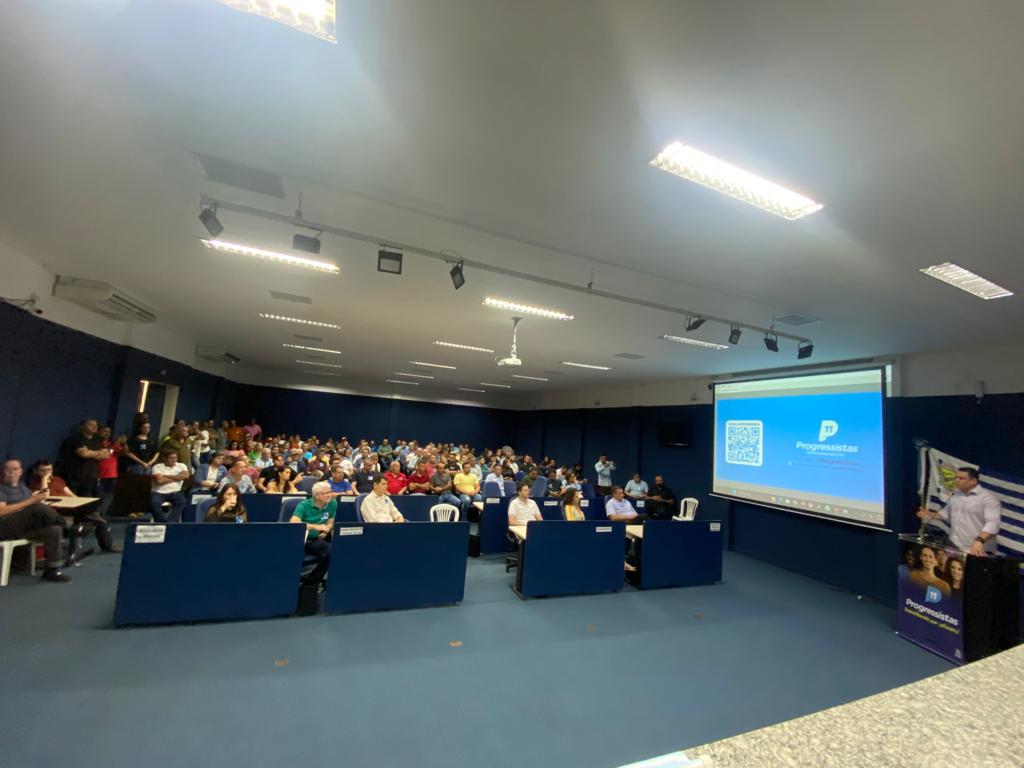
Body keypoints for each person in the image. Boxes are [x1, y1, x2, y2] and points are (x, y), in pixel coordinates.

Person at [0, 459, 72, 582]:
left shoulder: (23, 488)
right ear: (3, 472)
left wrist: (37, 498)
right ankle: (69, 529)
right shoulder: (1, 489)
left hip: (24, 529)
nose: (12, 472)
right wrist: (31, 501)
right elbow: (1, 511)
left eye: (15, 469)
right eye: (8, 469)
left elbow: (32, 504)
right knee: (37, 507)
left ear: (21, 471)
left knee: (53, 529)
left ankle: (52, 570)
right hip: (5, 527)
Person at [56, 418, 119, 552]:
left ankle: (106, 544)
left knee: (97, 511)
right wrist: (95, 453)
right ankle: (69, 543)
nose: (94, 427)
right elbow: (83, 454)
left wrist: (92, 453)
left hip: (91, 479)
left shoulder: (97, 440)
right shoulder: (74, 439)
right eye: (90, 424)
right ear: (82, 426)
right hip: (74, 479)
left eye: (95, 425)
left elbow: (105, 455)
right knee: (81, 511)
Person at [917, 467, 1001, 556]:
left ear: (973, 481)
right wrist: (930, 514)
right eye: (956, 477)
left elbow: (993, 523)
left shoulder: (988, 498)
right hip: (954, 545)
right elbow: (946, 514)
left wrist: (979, 540)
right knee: (950, 564)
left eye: (961, 478)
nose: (956, 480)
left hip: (977, 548)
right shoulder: (956, 495)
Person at [289, 481, 337, 583]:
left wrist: (327, 529)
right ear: (317, 496)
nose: (330, 494)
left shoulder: (332, 503)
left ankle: (314, 579)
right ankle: (311, 581)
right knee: (331, 551)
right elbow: (294, 523)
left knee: (343, 548)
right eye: (326, 493)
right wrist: (316, 527)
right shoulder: (303, 505)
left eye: (330, 491)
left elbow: (330, 522)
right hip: (307, 538)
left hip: (323, 537)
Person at [149, 448, 190, 523]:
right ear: (164, 458)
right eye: (171, 458)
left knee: (182, 501)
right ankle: (161, 522)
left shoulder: (181, 465)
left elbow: (186, 476)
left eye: (175, 458)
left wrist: (165, 476)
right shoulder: (157, 467)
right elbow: (160, 481)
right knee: (154, 502)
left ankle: (171, 522)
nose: (174, 460)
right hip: (159, 492)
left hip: (176, 492)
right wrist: (178, 478)